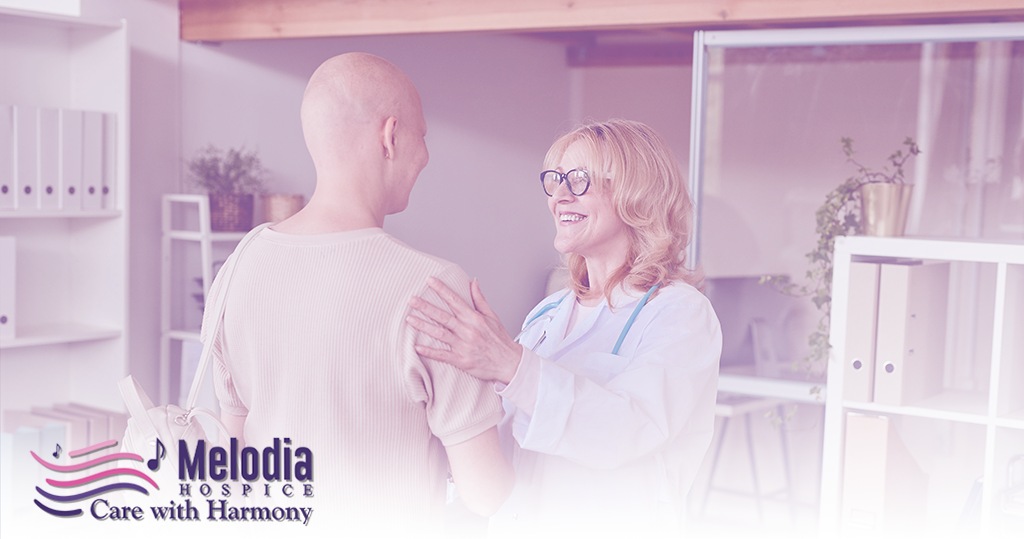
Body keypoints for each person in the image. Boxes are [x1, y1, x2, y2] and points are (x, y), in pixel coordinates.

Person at [203, 52, 512, 536]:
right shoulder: (436, 290)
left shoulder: (238, 266)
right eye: (422, 136)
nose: (426, 156)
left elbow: (232, 452)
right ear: (390, 137)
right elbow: (485, 492)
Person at [407, 119, 722, 536]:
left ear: (639, 196)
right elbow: (504, 436)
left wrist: (510, 364)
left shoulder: (680, 313)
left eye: (579, 180)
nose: (559, 196)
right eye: (555, 180)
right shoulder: (548, 314)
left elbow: (628, 430)